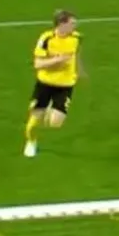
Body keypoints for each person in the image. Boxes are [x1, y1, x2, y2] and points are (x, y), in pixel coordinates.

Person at [24, 10, 83, 158]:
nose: (75, 26)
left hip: (65, 85)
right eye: (72, 23)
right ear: (61, 24)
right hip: (45, 84)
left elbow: (76, 53)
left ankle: (49, 107)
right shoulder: (46, 38)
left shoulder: (76, 37)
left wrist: (79, 70)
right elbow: (38, 64)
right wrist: (57, 60)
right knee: (34, 121)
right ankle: (31, 142)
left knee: (56, 123)